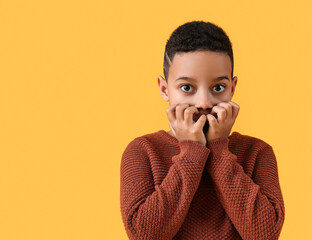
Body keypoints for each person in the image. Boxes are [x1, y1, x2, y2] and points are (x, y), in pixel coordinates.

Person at [120, 20, 285, 240]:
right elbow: (144, 236)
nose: (204, 102)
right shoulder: (142, 151)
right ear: (164, 89)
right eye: (187, 88)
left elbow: (265, 235)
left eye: (218, 88)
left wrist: (218, 149)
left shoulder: (258, 152)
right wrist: (191, 151)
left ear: (232, 88)